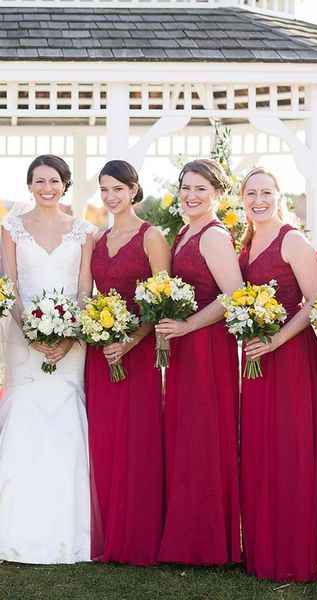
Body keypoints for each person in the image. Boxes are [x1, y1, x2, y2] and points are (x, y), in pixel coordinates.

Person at [0, 154, 94, 563]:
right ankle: (15, 528)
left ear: (65, 184)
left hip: (73, 343)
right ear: (30, 185)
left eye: (53, 180)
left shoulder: (85, 231)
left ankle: (69, 529)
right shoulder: (11, 229)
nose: (46, 187)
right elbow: (11, 286)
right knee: (25, 416)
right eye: (39, 181)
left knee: (65, 421)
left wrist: (71, 336)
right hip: (25, 341)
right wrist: (31, 331)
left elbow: (85, 289)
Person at [238, 167, 317, 582]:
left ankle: (292, 552)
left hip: (288, 358)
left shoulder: (292, 239)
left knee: (288, 449)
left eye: (266, 192)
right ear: (242, 198)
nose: (259, 200)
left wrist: (276, 340)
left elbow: (316, 301)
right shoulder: (249, 241)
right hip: (256, 358)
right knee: (257, 448)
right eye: (251, 193)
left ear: (279, 195)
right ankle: (261, 549)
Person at [156, 159, 242, 565]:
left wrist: (188, 326)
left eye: (200, 190)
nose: (190, 196)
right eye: (185, 188)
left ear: (217, 194)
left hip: (207, 347)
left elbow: (233, 295)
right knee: (186, 435)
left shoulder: (213, 236)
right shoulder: (185, 232)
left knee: (205, 435)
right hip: (187, 345)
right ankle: (186, 534)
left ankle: (206, 541)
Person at [86, 160, 170, 565]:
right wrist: (100, 333)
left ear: (134, 191)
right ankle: (106, 535)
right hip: (101, 353)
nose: (111, 197)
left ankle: (138, 537)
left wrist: (131, 340)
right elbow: (89, 296)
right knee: (104, 440)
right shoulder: (97, 240)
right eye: (104, 189)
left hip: (137, 356)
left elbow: (162, 298)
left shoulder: (151, 236)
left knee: (137, 441)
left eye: (118, 188)